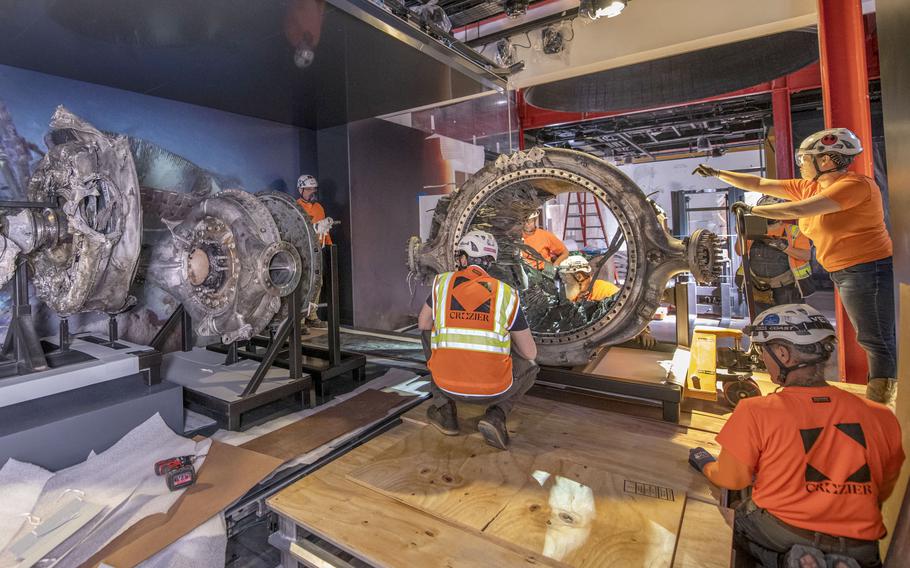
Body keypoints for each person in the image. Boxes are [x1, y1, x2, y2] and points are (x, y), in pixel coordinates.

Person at [688, 305, 904, 568]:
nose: (762, 359)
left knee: (734, 515)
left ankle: (788, 561)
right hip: (861, 545)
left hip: (783, 532)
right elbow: (884, 487)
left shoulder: (756, 411)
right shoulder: (882, 417)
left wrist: (706, 464)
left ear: (783, 354)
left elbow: (732, 477)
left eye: (763, 351)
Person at [694, 128, 897, 404]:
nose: (802, 163)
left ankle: (882, 402)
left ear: (825, 161)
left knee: (875, 338)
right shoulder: (810, 186)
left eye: (805, 158)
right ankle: (881, 397)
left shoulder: (855, 186)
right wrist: (719, 174)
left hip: (866, 268)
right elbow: (760, 184)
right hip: (845, 269)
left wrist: (754, 210)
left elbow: (799, 210)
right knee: (871, 336)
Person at [417, 230, 539, 450]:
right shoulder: (506, 294)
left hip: (446, 384)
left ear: (463, 258)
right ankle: (496, 415)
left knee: (427, 333)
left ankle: (445, 411)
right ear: (490, 262)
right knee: (531, 367)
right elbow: (530, 354)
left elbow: (423, 324)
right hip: (495, 390)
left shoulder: (441, 285)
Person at [735, 195, 814, 314]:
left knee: (790, 322)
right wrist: (740, 233)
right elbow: (740, 251)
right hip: (757, 287)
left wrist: (783, 246)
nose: (768, 214)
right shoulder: (752, 230)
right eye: (765, 211)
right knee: (760, 323)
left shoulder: (794, 231)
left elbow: (806, 256)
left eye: (772, 210)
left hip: (786, 287)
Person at [296, 174, 334, 328]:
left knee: (318, 282)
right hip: (303, 251)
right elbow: (297, 231)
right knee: (305, 283)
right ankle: (299, 321)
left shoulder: (319, 208)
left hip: (318, 250)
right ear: (301, 189)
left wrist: (330, 245)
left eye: (314, 189)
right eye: (309, 189)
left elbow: (325, 232)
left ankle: (312, 316)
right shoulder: (296, 207)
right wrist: (314, 227)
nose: (312, 192)